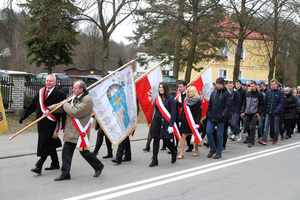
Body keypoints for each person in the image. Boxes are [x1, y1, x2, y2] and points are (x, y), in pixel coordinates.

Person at [45, 81, 104, 181]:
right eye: (73, 87)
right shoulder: (74, 97)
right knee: (66, 152)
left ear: (81, 89)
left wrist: (65, 105)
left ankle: (98, 166)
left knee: (84, 152)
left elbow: (76, 112)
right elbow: (61, 106)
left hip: (80, 131)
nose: (73, 89)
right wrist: (49, 109)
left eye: (75, 88)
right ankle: (65, 173)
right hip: (71, 130)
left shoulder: (87, 100)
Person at [19, 74, 66, 175]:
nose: (48, 83)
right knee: (49, 143)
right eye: (47, 81)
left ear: (54, 82)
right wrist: (23, 116)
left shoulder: (59, 94)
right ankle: (55, 163)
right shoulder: (41, 92)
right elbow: (33, 105)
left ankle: (38, 166)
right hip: (41, 122)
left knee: (46, 143)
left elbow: (64, 110)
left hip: (52, 123)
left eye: (50, 81)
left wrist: (64, 124)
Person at [149, 82, 177, 167]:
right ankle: (154, 159)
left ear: (166, 88)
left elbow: (173, 113)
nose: (160, 89)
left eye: (162, 87)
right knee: (156, 140)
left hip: (166, 122)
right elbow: (155, 110)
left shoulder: (171, 99)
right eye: (159, 87)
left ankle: (173, 151)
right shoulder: (157, 99)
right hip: (157, 121)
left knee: (166, 140)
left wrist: (171, 125)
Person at [206, 77, 231, 159]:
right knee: (208, 132)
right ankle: (212, 148)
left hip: (221, 118)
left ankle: (219, 152)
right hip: (212, 116)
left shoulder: (226, 94)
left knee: (219, 135)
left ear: (223, 84)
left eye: (220, 84)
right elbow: (210, 104)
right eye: (217, 84)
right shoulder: (213, 93)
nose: (218, 85)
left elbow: (227, 107)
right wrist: (208, 114)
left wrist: (223, 115)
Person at [258, 78, 285, 145]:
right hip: (268, 112)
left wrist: (277, 110)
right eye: (271, 84)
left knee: (276, 126)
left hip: (276, 113)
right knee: (266, 125)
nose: (272, 85)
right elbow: (266, 102)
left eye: (273, 84)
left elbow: (281, 103)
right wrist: (264, 111)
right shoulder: (268, 92)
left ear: (276, 84)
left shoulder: (280, 93)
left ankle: (275, 138)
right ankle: (264, 139)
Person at [178, 86, 202, 159]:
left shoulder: (198, 101)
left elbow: (199, 112)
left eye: (190, 91)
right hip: (186, 120)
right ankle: (181, 152)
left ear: (194, 92)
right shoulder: (185, 100)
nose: (189, 93)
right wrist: (180, 120)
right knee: (183, 136)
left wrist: (197, 122)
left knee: (194, 135)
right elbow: (183, 112)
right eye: (188, 92)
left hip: (194, 121)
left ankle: (196, 149)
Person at [241, 81, 265, 148]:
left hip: (254, 113)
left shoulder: (259, 95)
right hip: (247, 113)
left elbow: (262, 105)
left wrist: (259, 113)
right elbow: (245, 104)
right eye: (250, 86)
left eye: (253, 86)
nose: (251, 87)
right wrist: (243, 111)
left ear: (255, 86)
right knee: (246, 126)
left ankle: (252, 141)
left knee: (253, 127)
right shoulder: (247, 94)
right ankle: (249, 136)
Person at [176, 80, 194, 152]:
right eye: (179, 86)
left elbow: (184, 105)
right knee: (177, 131)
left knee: (187, 133)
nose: (179, 88)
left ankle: (190, 146)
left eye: (181, 86)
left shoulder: (188, 95)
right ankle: (175, 146)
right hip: (178, 115)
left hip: (186, 116)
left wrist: (176, 103)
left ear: (185, 87)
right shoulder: (178, 94)